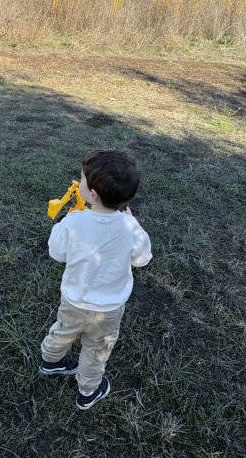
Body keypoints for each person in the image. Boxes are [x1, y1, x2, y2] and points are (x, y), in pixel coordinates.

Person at [40, 149, 152, 410]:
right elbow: (142, 258)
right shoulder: (129, 227)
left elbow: (57, 253)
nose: (77, 182)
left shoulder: (73, 222)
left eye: (81, 179)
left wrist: (65, 223)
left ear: (92, 195)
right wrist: (134, 224)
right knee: (96, 349)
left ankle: (50, 360)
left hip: (74, 299)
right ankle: (88, 390)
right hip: (109, 309)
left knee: (63, 330)